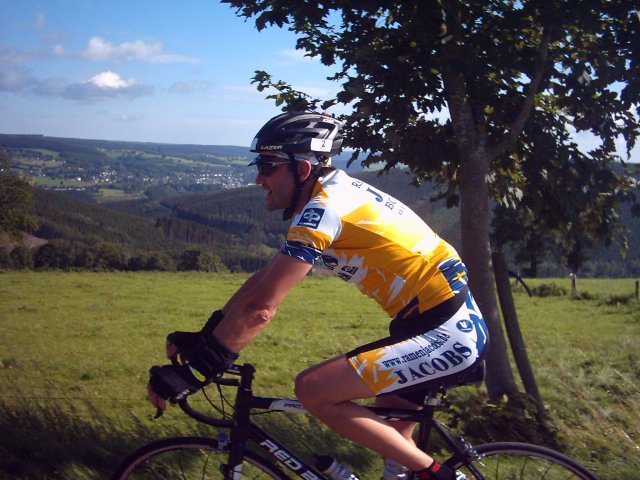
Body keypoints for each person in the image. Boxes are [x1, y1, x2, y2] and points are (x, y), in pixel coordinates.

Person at [147, 111, 489, 480]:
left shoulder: (325, 209)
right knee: (392, 443)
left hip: (444, 330)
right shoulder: (329, 197)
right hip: (428, 323)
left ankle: (441, 475)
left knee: (313, 390)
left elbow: (262, 309)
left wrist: (196, 372)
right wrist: (206, 339)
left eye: (267, 165)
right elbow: (260, 284)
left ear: (303, 170)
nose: (259, 177)